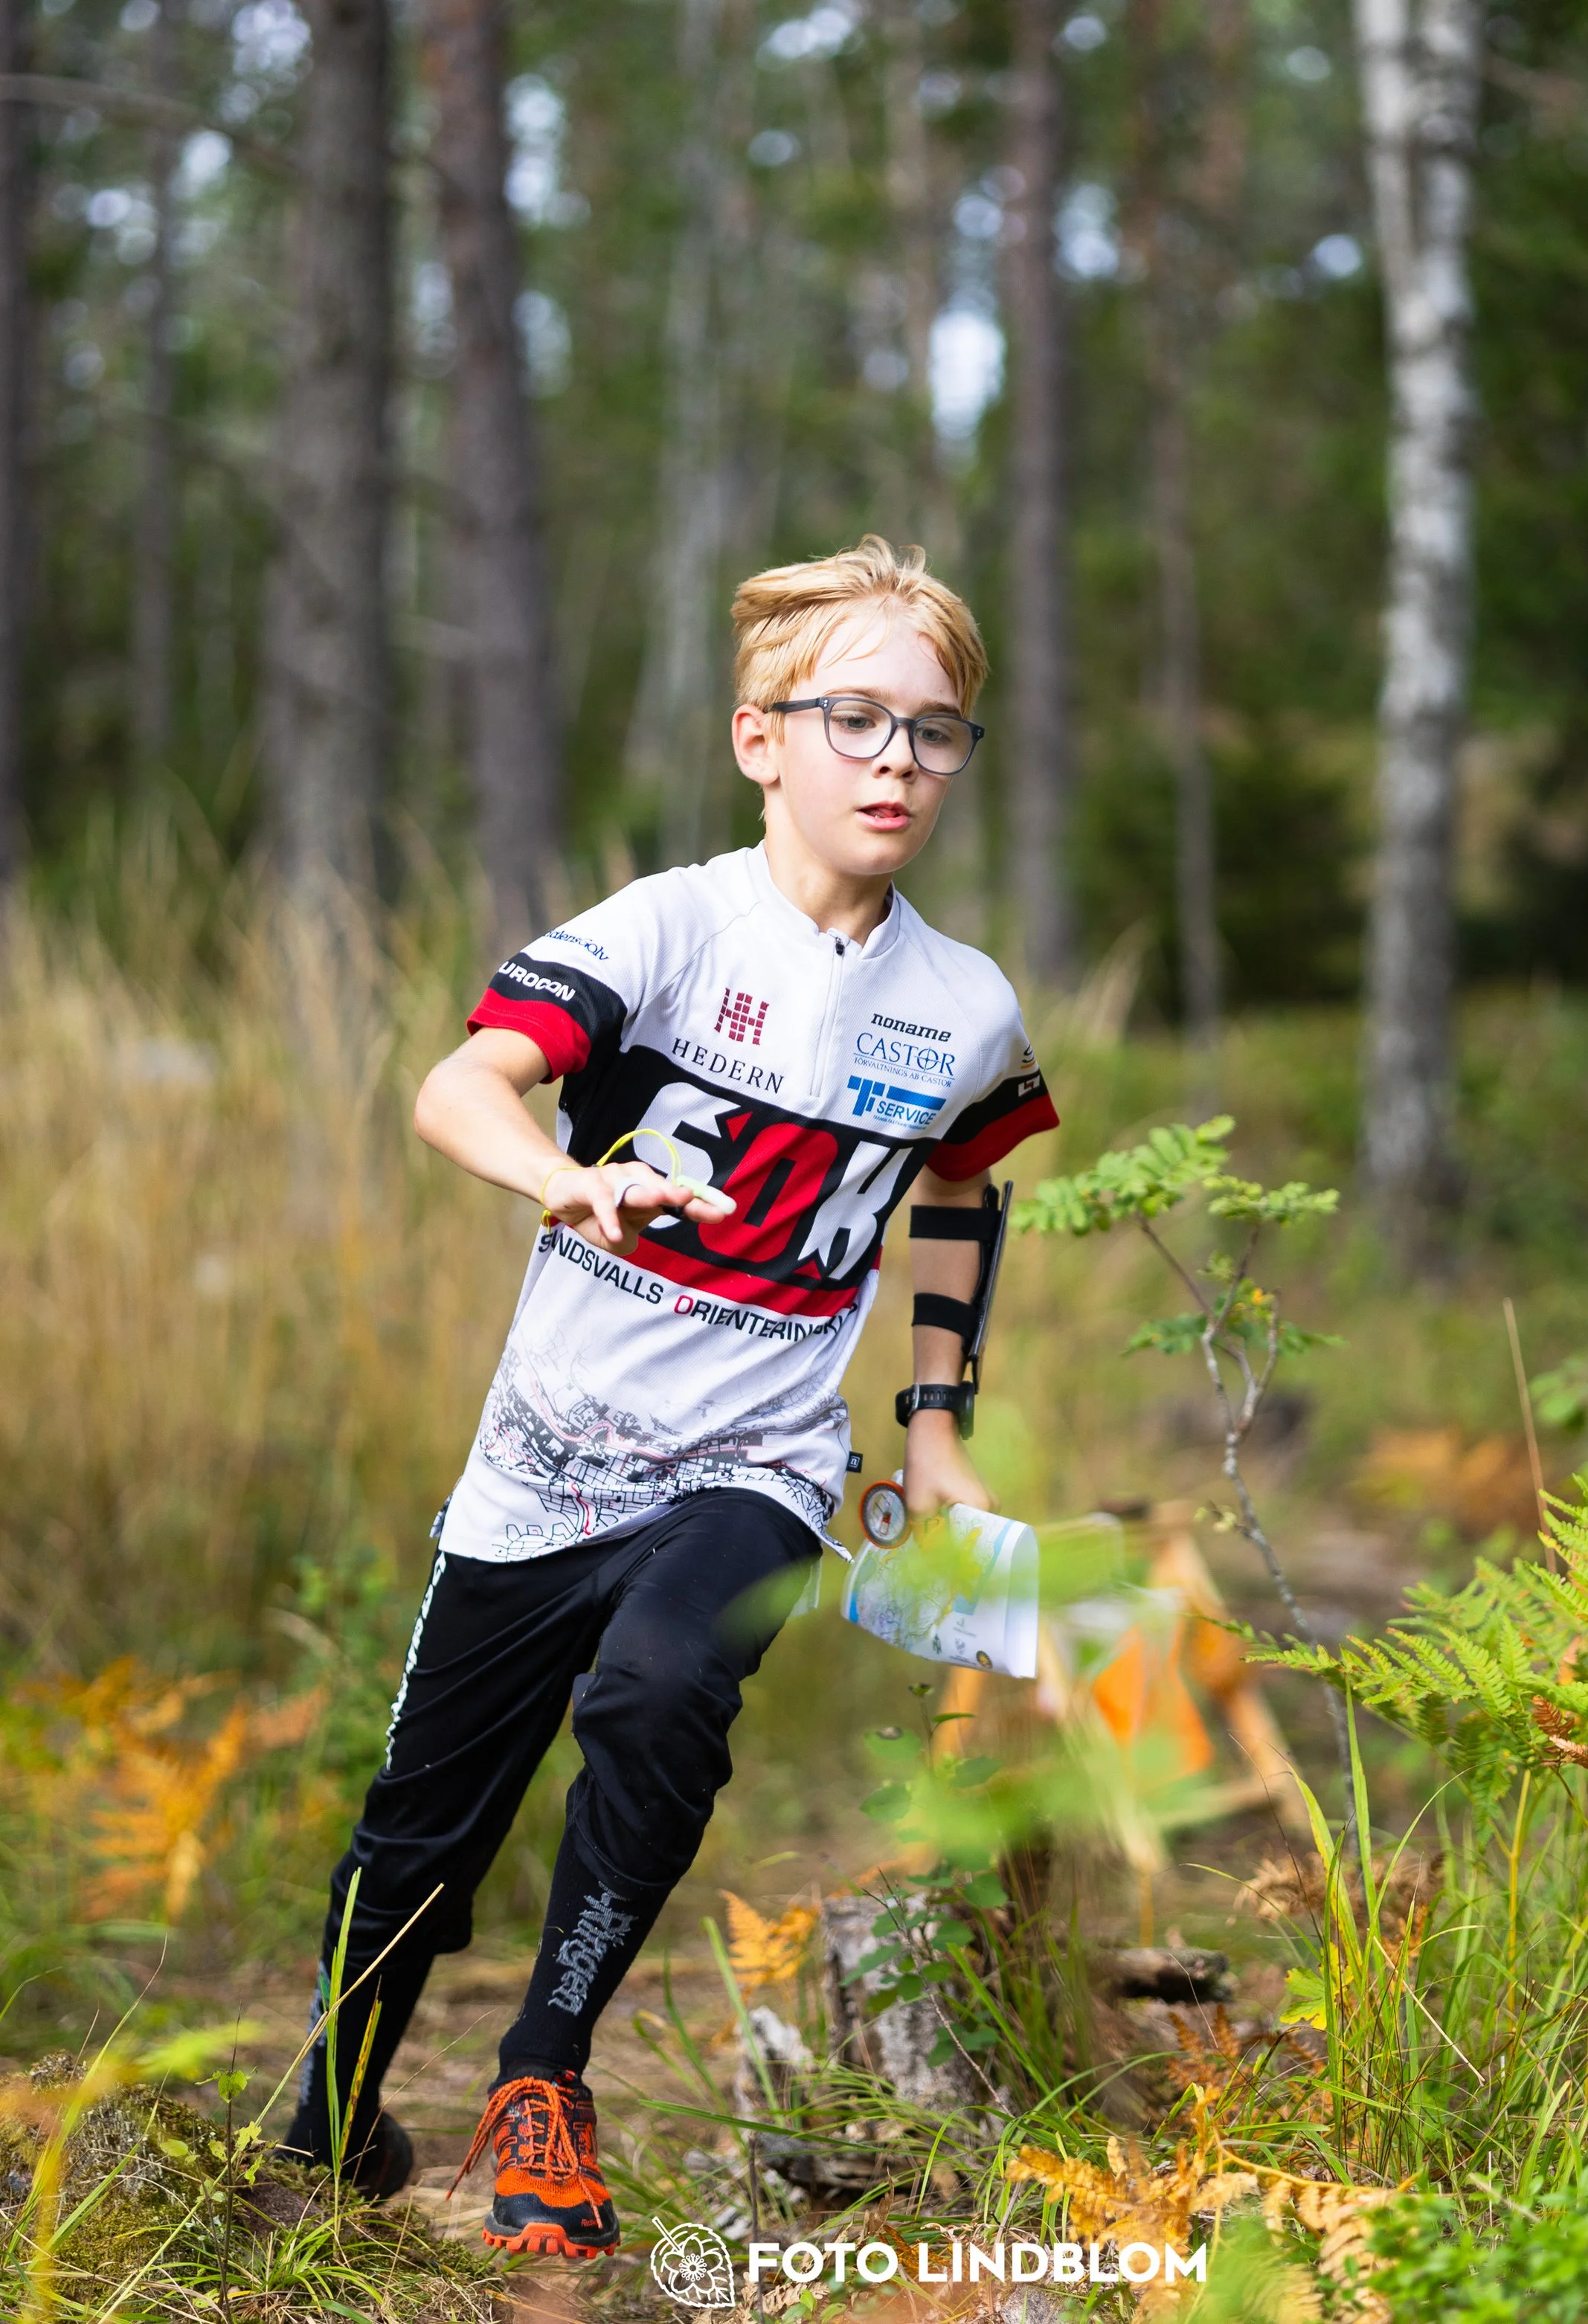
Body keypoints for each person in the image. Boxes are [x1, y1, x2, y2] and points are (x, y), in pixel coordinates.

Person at [278, 536, 1060, 2259]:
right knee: (419, 1833)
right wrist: (565, 1181)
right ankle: (329, 2121)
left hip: (763, 1457)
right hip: (545, 1459)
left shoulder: (965, 1002)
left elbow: (958, 1190)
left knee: (658, 1688)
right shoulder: (667, 927)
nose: (894, 763)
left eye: (933, 733)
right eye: (853, 719)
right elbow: (459, 1084)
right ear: (758, 739)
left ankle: (544, 2069)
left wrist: (934, 1432)